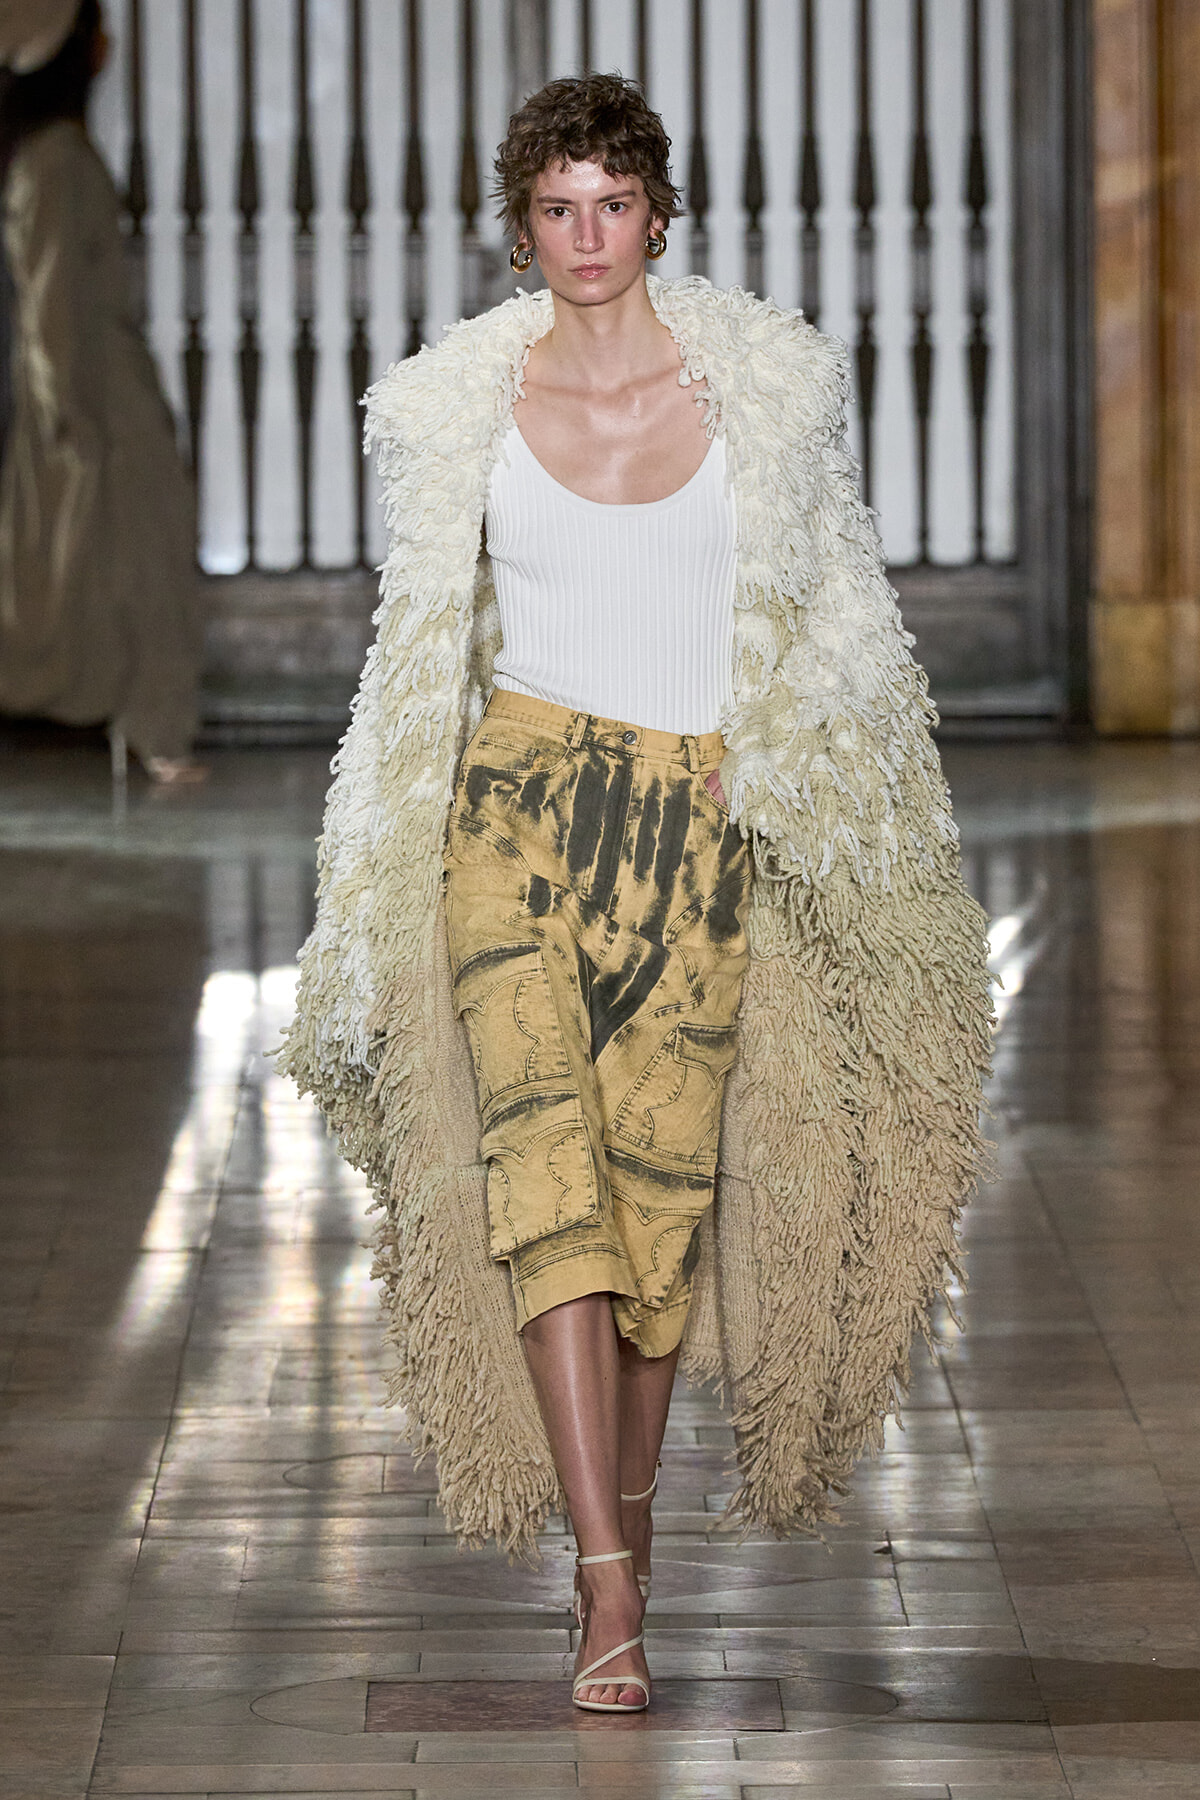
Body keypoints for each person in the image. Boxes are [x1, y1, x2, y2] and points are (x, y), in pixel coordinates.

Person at [278, 74, 993, 1712]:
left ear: (656, 215)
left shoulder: (766, 396)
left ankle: (629, 1528)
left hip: (699, 815)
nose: (588, 237)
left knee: (657, 1230)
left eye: (614, 203)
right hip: (514, 810)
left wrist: (787, 775)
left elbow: (838, 630)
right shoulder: (456, 406)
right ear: (522, 225)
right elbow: (417, 660)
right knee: (543, 1179)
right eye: (558, 207)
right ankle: (605, 1578)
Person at [0, 0, 205, 781]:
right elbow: (50, 302)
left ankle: (153, 731)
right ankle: (156, 733)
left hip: (88, 389)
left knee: (123, 567)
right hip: (98, 393)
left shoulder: (44, 153)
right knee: (142, 561)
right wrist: (71, 422)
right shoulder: (57, 158)